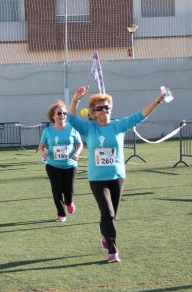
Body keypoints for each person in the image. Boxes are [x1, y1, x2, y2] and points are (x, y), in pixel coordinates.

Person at [68, 85, 168, 263]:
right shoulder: (89, 129)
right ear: (93, 112)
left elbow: (141, 115)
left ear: (110, 109)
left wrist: (158, 100)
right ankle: (113, 250)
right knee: (107, 212)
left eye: (107, 107)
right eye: (99, 108)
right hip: (97, 179)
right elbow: (71, 119)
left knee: (112, 215)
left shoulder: (118, 125)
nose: (104, 110)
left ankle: (105, 233)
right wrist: (76, 99)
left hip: (117, 177)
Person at [38, 102, 83, 222]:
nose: (62, 115)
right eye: (59, 113)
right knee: (57, 190)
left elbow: (79, 143)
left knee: (69, 190)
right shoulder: (47, 131)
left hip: (70, 165)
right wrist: (43, 153)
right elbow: (41, 146)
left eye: (64, 113)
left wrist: (77, 153)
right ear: (53, 116)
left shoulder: (72, 128)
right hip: (53, 165)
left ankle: (69, 202)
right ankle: (61, 214)